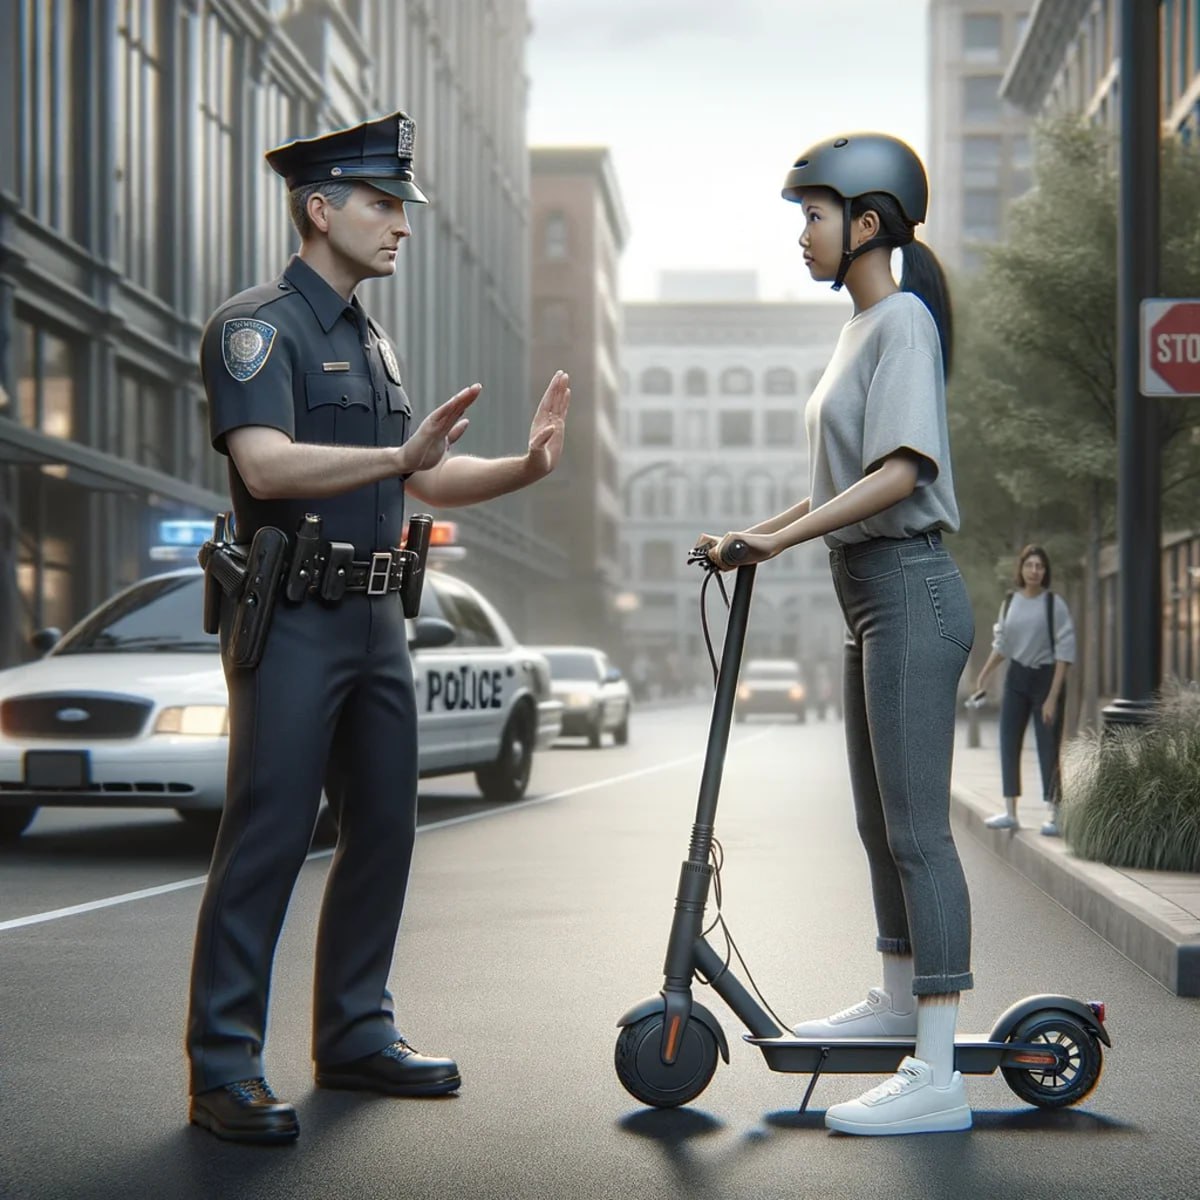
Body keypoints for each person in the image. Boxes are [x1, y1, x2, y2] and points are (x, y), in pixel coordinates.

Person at [186, 111, 571, 1144]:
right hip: (297, 619)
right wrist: (400, 461)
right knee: (267, 838)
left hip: (377, 620)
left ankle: (354, 1032)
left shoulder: (369, 336)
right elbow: (265, 464)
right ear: (320, 209)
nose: (401, 225)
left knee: (387, 833)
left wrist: (523, 469)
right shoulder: (255, 326)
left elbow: (423, 475)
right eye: (382, 204)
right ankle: (224, 1068)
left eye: (401, 207)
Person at [697, 133, 974, 1135]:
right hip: (870, 596)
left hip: (910, 592)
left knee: (916, 835)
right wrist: (753, 536)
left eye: (812, 217)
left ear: (869, 222)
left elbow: (900, 475)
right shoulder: (861, 332)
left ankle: (936, 1075)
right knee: (876, 826)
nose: (802, 238)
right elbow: (840, 487)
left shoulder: (901, 321)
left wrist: (778, 543)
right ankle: (901, 1000)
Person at [974, 545, 1076, 837]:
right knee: (1008, 742)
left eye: (1039, 566)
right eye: (1029, 565)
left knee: (1048, 746)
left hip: (1046, 677)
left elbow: (1065, 652)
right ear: (1020, 569)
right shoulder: (1010, 602)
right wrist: (984, 673)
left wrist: (1052, 697)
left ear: (1045, 572)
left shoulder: (1053, 604)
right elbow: (1002, 645)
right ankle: (1010, 812)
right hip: (1016, 678)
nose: (1034, 571)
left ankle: (1055, 814)